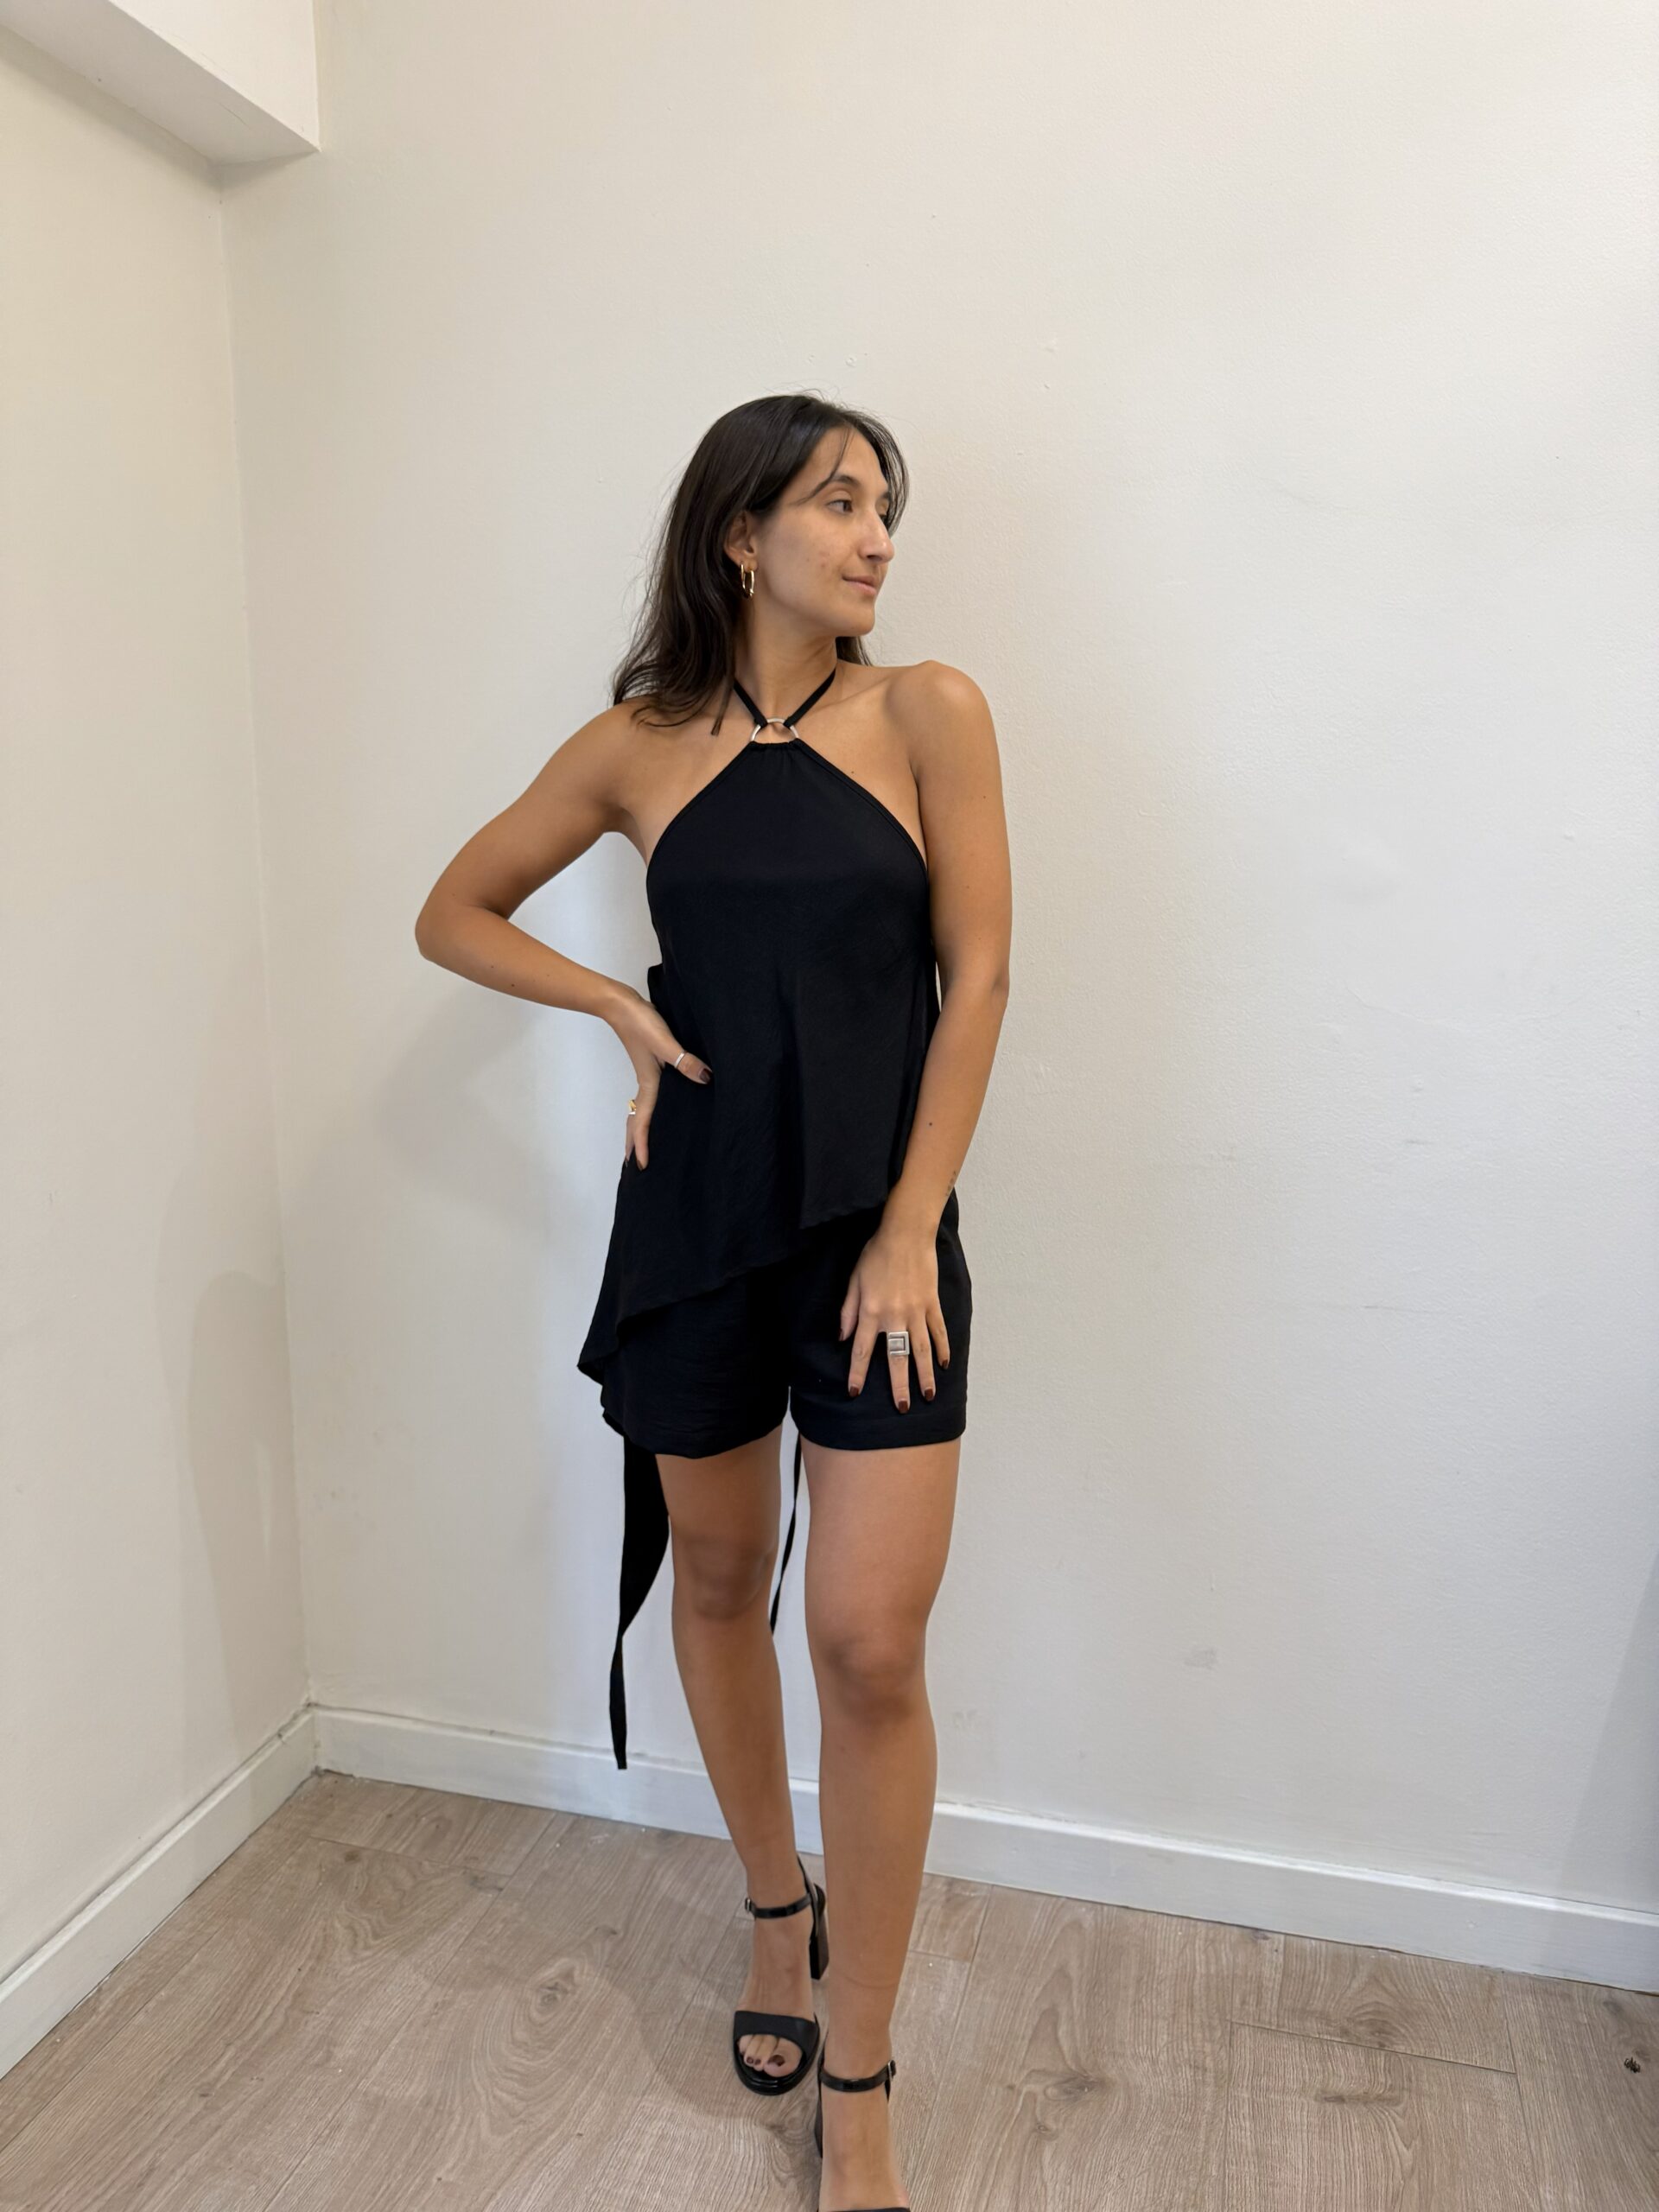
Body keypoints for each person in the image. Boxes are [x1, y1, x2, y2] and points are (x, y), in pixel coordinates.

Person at [416, 392, 1011, 2212]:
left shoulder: (931, 712)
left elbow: (981, 974)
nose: (878, 534)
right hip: (694, 1222)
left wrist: (911, 1224)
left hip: (877, 1235)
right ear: (741, 531)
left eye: (887, 505)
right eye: (840, 500)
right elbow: (454, 910)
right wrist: (617, 1006)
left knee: (872, 1646)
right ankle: (772, 1908)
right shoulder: (639, 743)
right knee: (721, 1582)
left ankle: (865, 2079)